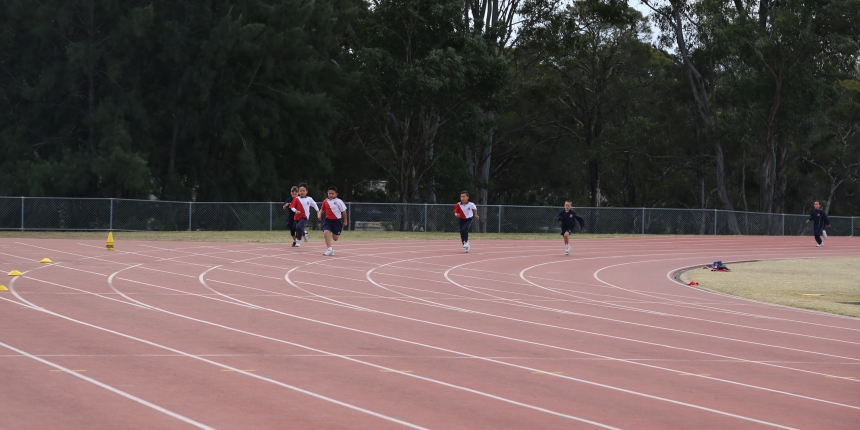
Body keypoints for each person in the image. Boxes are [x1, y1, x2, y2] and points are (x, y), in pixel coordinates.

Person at [318, 186, 348, 256]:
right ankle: (329, 249)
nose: (331, 195)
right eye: (329, 193)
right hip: (328, 220)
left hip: (337, 221)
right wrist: (319, 214)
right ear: (327, 193)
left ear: (336, 194)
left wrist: (345, 221)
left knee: (335, 238)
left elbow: (344, 212)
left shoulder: (339, 201)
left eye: (332, 194)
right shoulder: (325, 201)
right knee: (326, 233)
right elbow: (322, 209)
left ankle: (339, 229)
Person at [288, 183, 319, 247]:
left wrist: (318, 211)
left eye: (303, 191)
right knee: (299, 228)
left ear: (306, 191)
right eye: (300, 191)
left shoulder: (309, 199)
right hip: (297, 217)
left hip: (304, 216)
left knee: (299, 227)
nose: (302, 192)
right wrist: (295, 211)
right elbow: (292, 207)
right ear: (298, 192)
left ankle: (298, 241)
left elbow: (314, 204)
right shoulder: (296, 199)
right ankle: (304, 233)